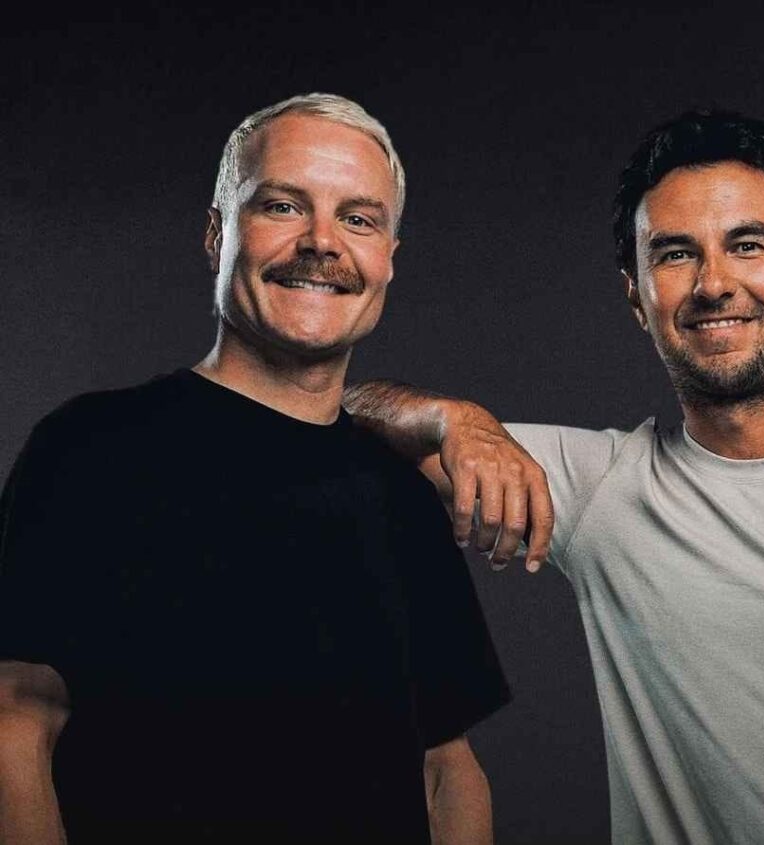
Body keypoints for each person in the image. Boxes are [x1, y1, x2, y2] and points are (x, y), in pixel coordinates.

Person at [344, 111, 764, 843]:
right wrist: (455, 420)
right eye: (674, 254)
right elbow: (329, 417)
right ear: (637, 297)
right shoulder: (601, 490)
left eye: (747, 245)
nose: (713, 284)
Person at [0, 93, 510, 844]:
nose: (322, 242)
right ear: (218, 234)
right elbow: (17, 718)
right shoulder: (90, 448)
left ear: (389, 259)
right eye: (282, 206)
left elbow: (446, 767)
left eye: (359, 219)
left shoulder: (403, 493)